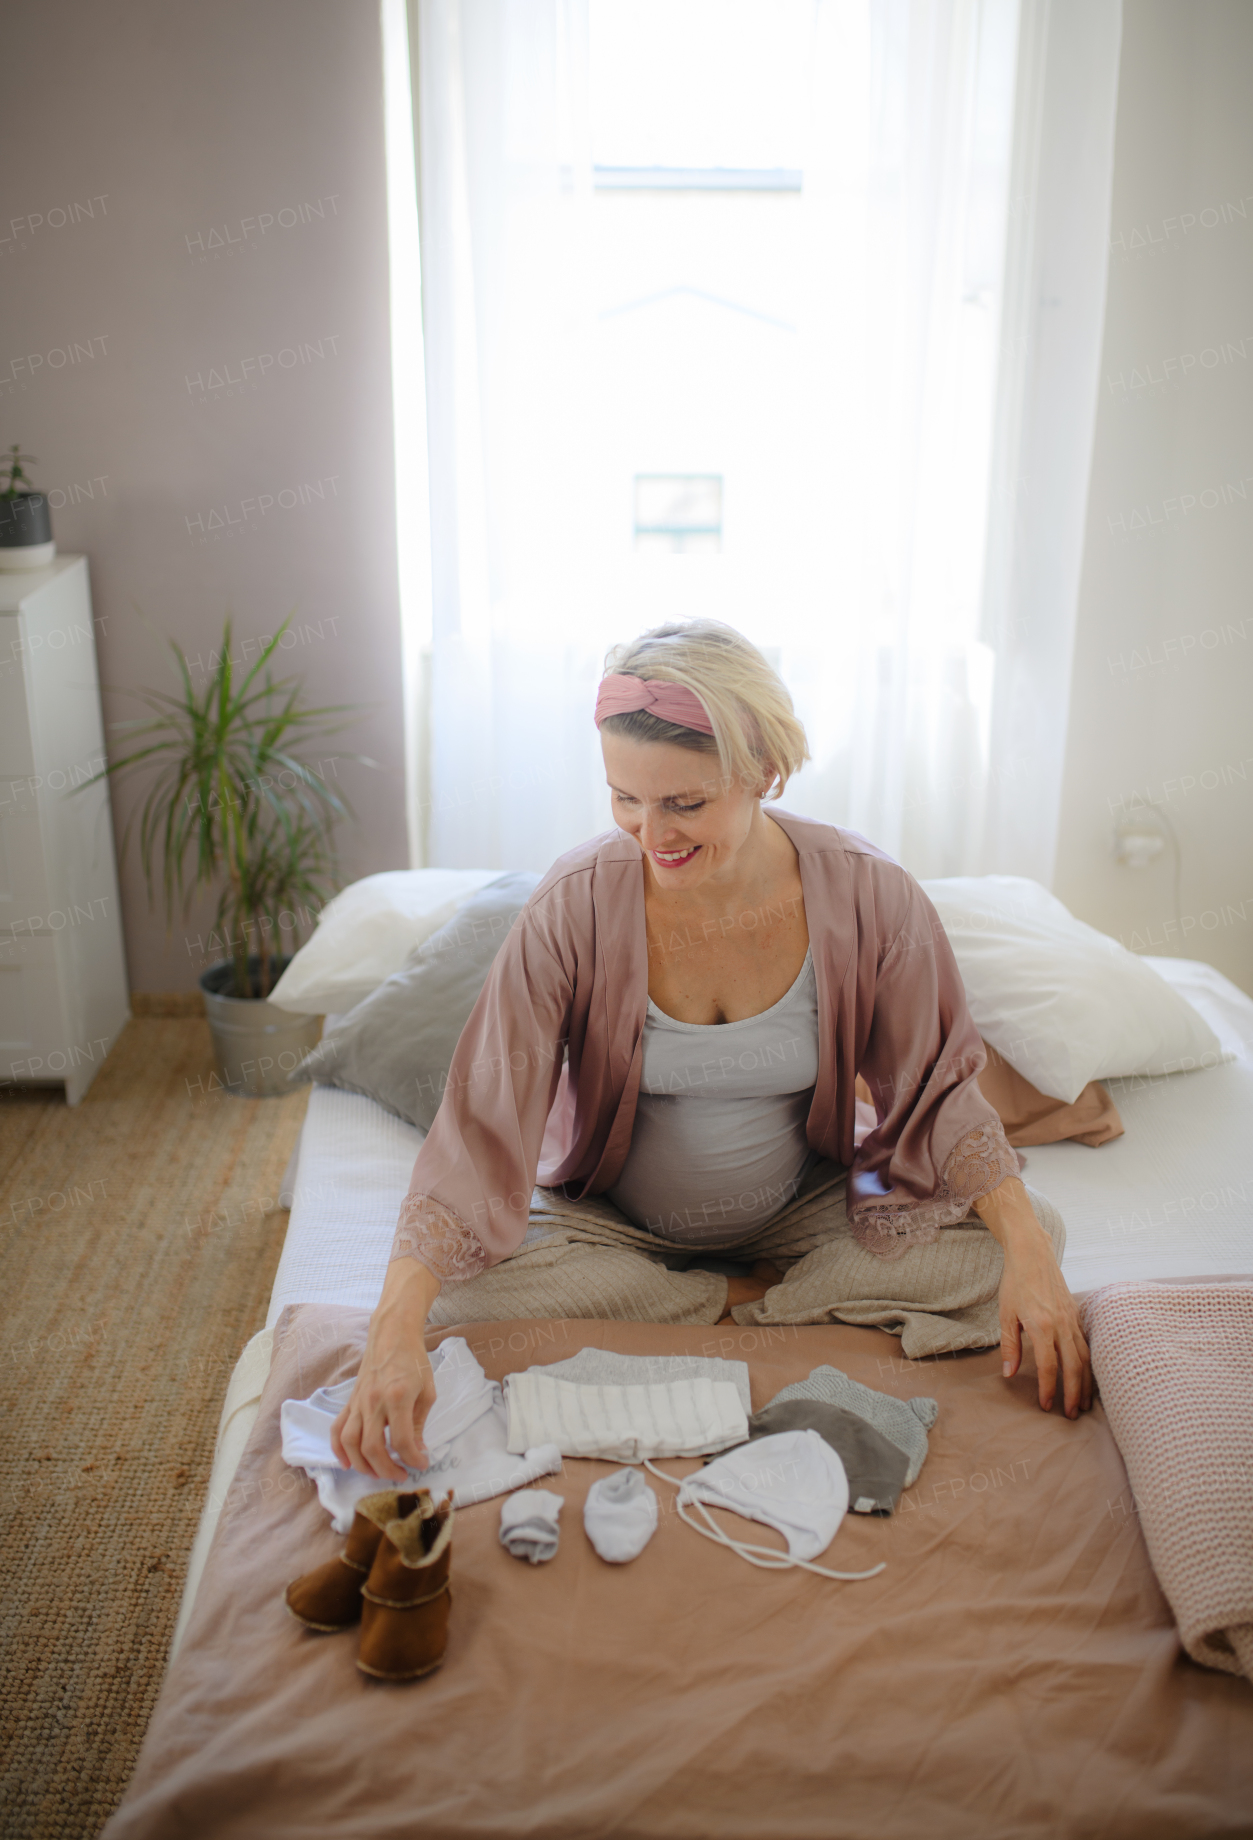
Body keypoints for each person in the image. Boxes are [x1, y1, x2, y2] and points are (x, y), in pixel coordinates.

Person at [334, 620, 1091, 1481]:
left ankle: (733, 1293)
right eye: (625, 798)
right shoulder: (573, 906)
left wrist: (1029, 1258)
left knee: (1033, 1236)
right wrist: (391, 1335)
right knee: (452, 1292)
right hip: (614, 1224)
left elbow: (940, 1088)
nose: (650, 835)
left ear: (764, 771)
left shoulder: (871, 895)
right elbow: (483, 1124)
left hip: (806, 1206)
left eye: (684, 804)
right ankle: (744, 1297)